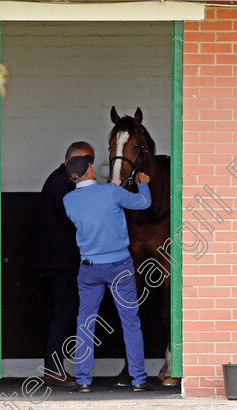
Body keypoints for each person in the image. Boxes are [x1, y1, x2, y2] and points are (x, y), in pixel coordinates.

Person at [62, 153, 153, 393]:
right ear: (90, 169)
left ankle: (82, 380)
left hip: (89, 268)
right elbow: (143, 203)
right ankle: (138, 379)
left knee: (85, 322)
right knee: (130, 321)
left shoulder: (68, 200)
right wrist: (143, 183)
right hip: (119, 266)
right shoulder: (110, 192)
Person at [36, 141, 95, 387]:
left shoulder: (59, 180)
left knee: (62, 313)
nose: (89, 166)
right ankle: (53, 369)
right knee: (62, 313)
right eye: (86, 160)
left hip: (57, 260)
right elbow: (70, 217)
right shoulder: (62, 184)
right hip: (61, 262)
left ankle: (55, 367)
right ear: (71, 161)